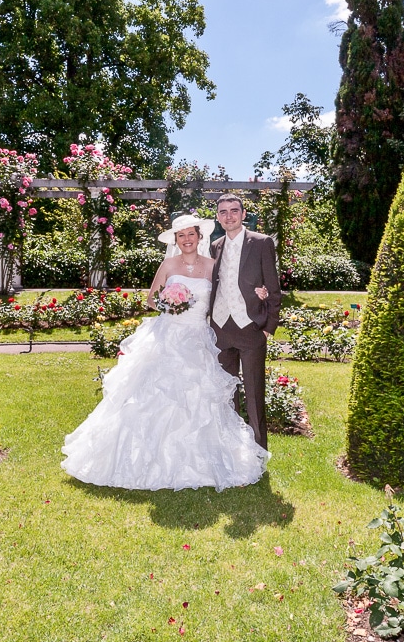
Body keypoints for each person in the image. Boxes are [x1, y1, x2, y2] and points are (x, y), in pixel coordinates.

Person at [61, 214, 269, 492]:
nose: (186, 240)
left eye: (191, 234)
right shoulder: (169, 264)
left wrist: (261, 292)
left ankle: (205, 458)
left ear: (199, 237)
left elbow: (231, 290)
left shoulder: (211, 266)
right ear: (176, 240)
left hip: (198, 337)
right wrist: (171, 304)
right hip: (168, 335)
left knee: (200, 397)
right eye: (181, 235)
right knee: (153, 395)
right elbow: (152, 298)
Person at [208, 193, 281, 451]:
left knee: (253, 393)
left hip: (251, 328)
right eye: (223, 212)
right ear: (218, 217)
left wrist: (268, 329)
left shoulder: (261, 243)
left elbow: (273, 287)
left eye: (234, 210)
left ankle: (258, 451)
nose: (229, 216)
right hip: (220, 328)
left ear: (243, 214)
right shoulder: (215, 246)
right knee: (227, 393)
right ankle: (232, 449)